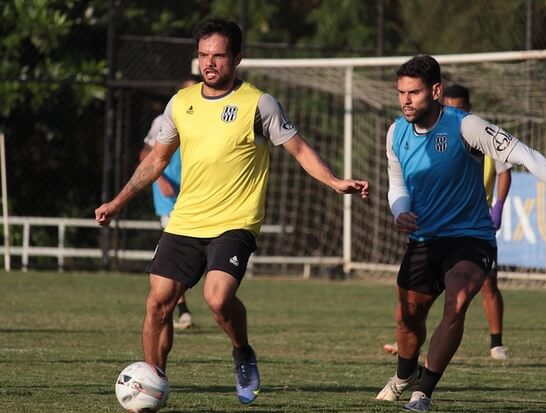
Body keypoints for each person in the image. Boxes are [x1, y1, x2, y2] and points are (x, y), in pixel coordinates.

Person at [95, 17, 368, 405]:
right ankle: (153, 384)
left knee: (217, 298)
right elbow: (156, 160)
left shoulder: (259, 105)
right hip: (186, 221)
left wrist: (335, 181)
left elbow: (301, 150)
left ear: (237, 58)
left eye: (219, 56)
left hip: (235, 222)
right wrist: (117, 202)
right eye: (204, 55)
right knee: (157, 302)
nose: (209, 63)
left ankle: (242, 351)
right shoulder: (181, 103)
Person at [376, 55, 546, 412]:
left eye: (414, 92)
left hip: (470, 237)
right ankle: (404, 374)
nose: (406, 100)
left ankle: (423, 392)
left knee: (456, 304)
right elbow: (396, 185)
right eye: (401, 92)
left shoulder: (466, 126)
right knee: (407, 318)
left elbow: (528, 156)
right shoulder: (396, 133)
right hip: (424, 240)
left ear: (436, 91)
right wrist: (399, 210)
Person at [382, 84, 512, 360]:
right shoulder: (425, 135)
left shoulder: (476, 132)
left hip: (475, 225)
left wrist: (498, 206)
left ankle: (496, 342)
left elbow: (504, 171)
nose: (454, 110)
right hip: (436, 230)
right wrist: (401, 209)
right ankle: (407, 349)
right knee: (414, 302)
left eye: (460, 106)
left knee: (486, 284)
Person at [139, 77, 199, 330]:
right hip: (170, 195)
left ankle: (177, 303)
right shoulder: (165, 118)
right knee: (175, 252)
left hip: (199, 193)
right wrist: (161, 179)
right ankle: (179, 307)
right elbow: (146, 154)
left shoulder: (213, 117)